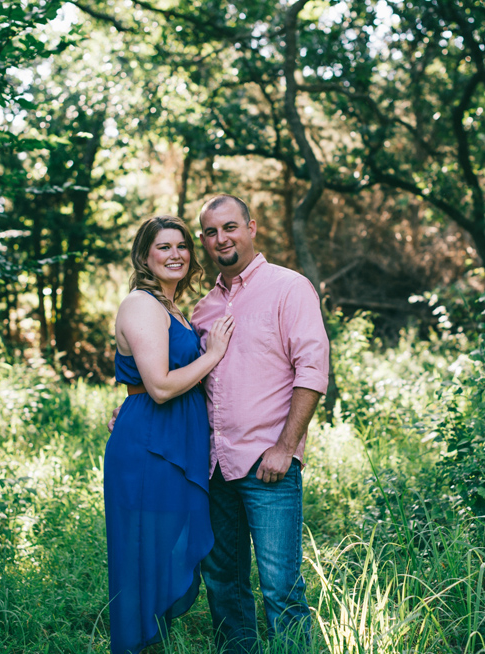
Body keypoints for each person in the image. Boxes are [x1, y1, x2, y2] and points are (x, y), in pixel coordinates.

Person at [109, 195, 329, 654]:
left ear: (251, 228)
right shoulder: (203, 309)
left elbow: (312, 371)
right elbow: (176, 377)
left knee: (281, 588)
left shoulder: (288, 288)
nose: (219, 239)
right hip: (211, 464)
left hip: (267, 462)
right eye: (209, 232)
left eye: (229, 227)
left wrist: (286, 446)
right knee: (224, 586)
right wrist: (135, 407)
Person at [106, 215, 235, 654]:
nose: (175, 254)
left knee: (160, 557)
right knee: (146, 558)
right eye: (163, 247)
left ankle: (153, 643)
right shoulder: (142, 304)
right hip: (151, 447)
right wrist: (213, 354)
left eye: (181, 246)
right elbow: (159, 387)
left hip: (170, 440)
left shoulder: (172, 306)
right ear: (145, 256)